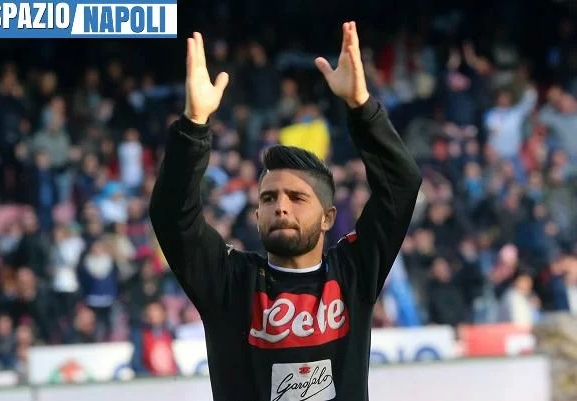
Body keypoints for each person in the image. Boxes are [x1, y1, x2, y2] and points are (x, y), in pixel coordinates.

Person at [150, 21, 422, 401]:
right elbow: (171, 215)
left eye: (297, 198)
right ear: (256, 215)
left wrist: (362, 107)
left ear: (328, 217)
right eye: (268, 199)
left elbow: (401, 185)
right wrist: (193, 126)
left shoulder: (354, 272)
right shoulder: (229, 282)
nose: (280, 207)